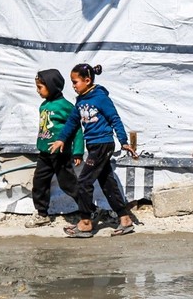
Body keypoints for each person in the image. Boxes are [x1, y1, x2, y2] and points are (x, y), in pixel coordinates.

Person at [49, 63, 138, 238]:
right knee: (107, 183)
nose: (73, 86)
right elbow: (72, 123)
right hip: (93, 145)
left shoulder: (100, 98)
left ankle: (85, 222)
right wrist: (61, 139)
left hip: (103, 145)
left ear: (87, 80)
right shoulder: (81, 100)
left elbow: (115, 119)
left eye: (75, 82)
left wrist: (123, 141)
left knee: (84, 181)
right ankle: (125, 219)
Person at [26, 69, 84, 228]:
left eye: (40, 87)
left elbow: (77, 129)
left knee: (69, 184)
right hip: (44, 154)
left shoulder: (66, 107)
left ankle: (89, 210)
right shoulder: (43, 105)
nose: (37, 91)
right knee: (39, 183)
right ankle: (42, 214)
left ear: (51, 86)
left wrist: (78, 151)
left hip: (60, 155)